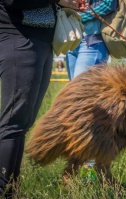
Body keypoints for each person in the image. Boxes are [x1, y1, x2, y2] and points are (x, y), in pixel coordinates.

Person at [0, 0, 86, 198]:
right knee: (12, 124)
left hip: (42, 42)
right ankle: (4, 192)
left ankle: (11, 190)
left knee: (22, 124)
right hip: (19, 37)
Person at [66, 0, 117, 80]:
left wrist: (79, 17)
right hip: (71, 40)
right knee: (73, 89)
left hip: (92, 42)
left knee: (81, 90)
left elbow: (108, 5)